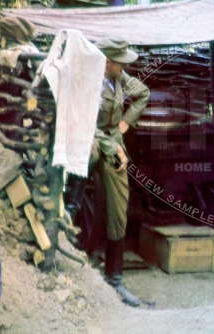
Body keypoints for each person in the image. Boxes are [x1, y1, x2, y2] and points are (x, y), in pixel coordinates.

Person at [65, 36, 150, 307]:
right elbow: (86, 124)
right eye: (121, 63)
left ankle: (114, 278)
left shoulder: (119, 78)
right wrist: (112, 144)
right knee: (77, 182)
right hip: (89, 140)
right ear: (107, 62)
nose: (126, 67)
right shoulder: (87, 82)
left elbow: (143, 92)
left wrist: (125, 123)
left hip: (112, 143)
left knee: (119, 208)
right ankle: (67, 233)